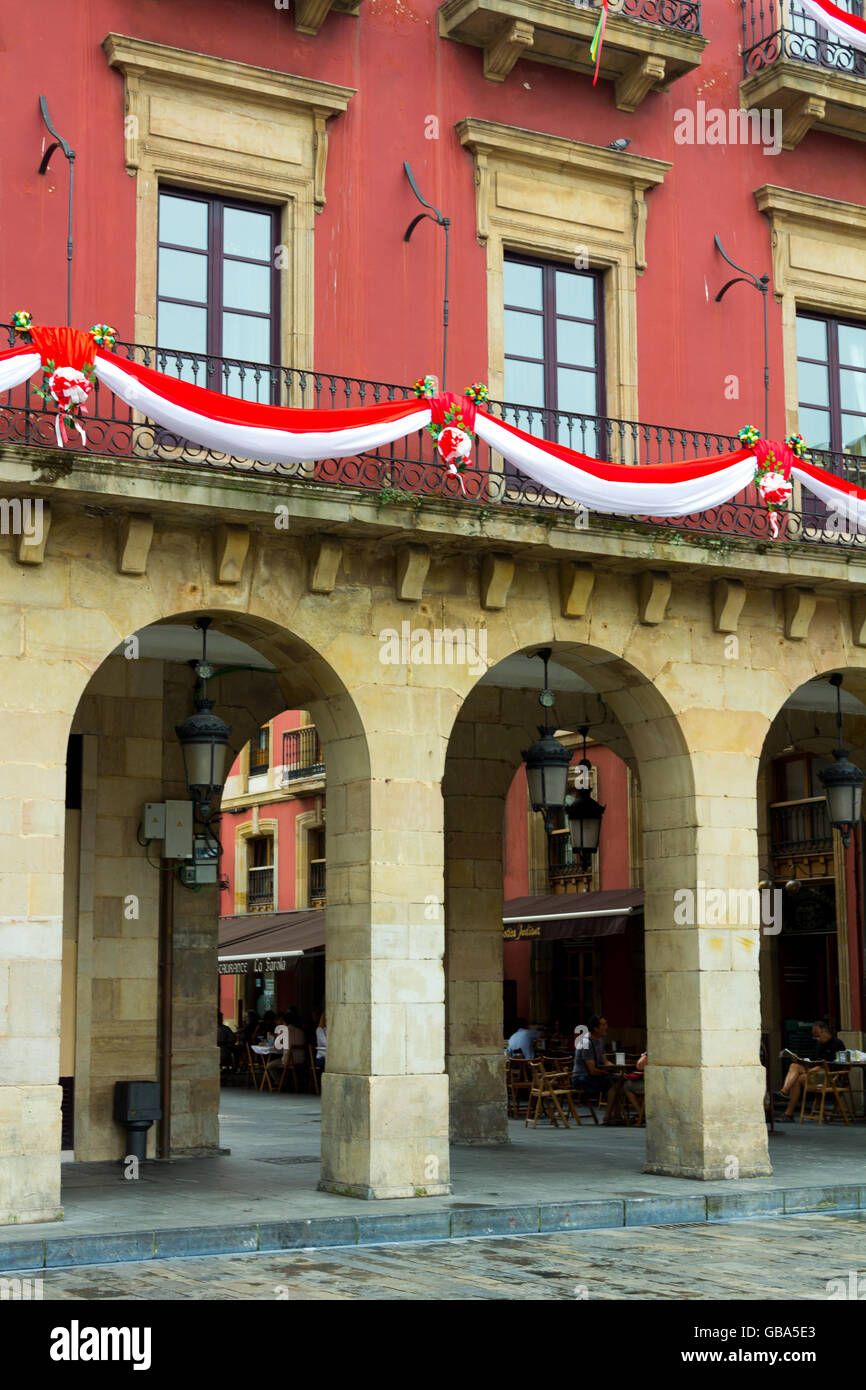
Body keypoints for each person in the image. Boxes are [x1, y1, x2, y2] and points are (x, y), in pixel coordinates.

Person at [778, 1019, 845, 1122]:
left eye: (818, 1035)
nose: (816, 1038)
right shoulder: (818, 1045)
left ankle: (788, 1113)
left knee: (798, 1079)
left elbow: (836, 1064)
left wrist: (813, 1069)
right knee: (794, 1066)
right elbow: (811, 1060)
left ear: (825, 1032)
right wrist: (799, 1059)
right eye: (815, 1036)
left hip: (827, 1075)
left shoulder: (837, 1043)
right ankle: (784, 1090)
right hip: (813, 1071)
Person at [571, 1014, 621, 1124]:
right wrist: (611, 1074)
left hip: (593, 1075)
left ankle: (617, 1116)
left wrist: (617, 1070)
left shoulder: (599, 1040)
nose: (606, 1027)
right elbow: (592, 1070)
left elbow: (605, 1061)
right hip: (582, 1078)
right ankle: (607, 1117)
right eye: (603, 1024)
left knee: (619, 1080)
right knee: (615, 1083)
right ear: (596, 1028)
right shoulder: (586, 1042)